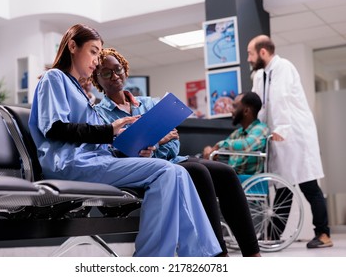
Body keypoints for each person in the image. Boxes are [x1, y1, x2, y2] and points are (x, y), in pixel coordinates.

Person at [28, 24, 222, 257]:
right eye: (92, 51)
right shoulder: (54, 78)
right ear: (72, 46)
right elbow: (56, 129)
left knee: (176, 172)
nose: (95, 60)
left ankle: (200, 256)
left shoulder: (80, 91)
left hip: (93, 161)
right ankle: (154, 259)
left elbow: (93, 138)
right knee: (166, 172)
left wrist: (125, 144)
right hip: (69, 164)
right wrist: (109, 130)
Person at [93, 47, 261, 257]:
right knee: (199, 173)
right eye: (106, 73)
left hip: (172, 160)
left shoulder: (149, 103)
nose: (114, 76)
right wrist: (156, 143)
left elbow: (174, 143)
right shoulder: (99, 114)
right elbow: (115, 152)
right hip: (144, 172)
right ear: (96, 80)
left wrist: (152, 148)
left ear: (125, 70)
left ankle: (253, 254)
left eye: (118, 69)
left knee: (226, 173)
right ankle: (219, 256)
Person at [247, 34, 332, 248]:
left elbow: (280, 97)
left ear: (263, 52)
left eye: (250, 53)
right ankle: (272, 236)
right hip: (279, 138)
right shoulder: (261, 74)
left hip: (295, 135)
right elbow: (261, 105)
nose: (248, 58)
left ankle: (323, 234)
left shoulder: (283, 67)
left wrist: (282, 128)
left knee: (309, 185)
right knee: (283, 187)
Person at [203, 92, 269, 175]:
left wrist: (220, 145)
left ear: (246, 111)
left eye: (235, 106)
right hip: (233, 177)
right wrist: (210, 151)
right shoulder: (238, 133)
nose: (231, 110)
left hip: (248, 180)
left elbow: (246, 145)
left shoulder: (261, 129)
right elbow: (220, 152)